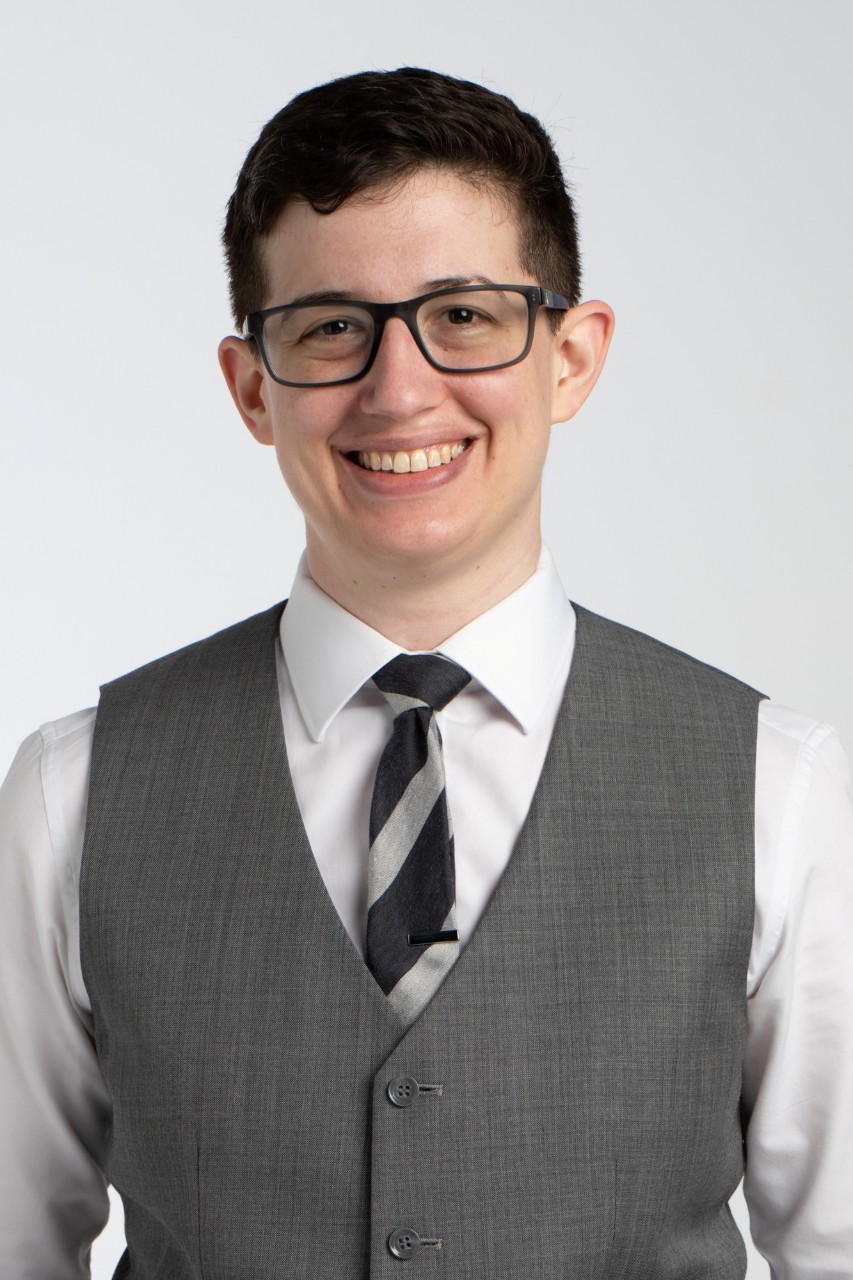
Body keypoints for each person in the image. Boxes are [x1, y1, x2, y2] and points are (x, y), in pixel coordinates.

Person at [0, 67, 851, 1280]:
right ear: (254, 388)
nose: (399, 388)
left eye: (463, 314)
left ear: (571, 356)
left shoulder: (776, 787)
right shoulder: (68, 795)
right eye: (331, 325)